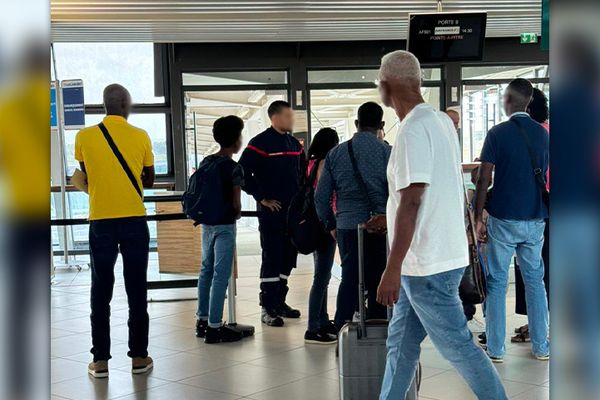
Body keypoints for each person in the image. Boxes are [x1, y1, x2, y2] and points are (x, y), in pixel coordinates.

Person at [375, 50, 507, 400]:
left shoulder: (412, 129)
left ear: (385, 86)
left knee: (459, 347)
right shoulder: (439, 122)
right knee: (400, 345)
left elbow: (413, 199)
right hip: (436, 257)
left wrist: (392, 267)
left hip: (425, 266)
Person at [75, 84, 155, 378]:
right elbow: (149, 179)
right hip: (134, 219)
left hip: (101, 222)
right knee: (137, 290)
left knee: (100, 291)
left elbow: (86, 173)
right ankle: (139, 357)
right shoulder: (141, 136)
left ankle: (101, 362)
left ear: (104, 104)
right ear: (126, 104)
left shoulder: (84, 137)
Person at [474, 78, 550, 363]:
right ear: (529, 102)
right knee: (535, 281)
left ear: (507, 100)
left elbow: (483, 179)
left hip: (503, 218)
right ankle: (541, 346)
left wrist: (478, 215)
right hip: (535, 217)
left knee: (495, 283)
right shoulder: (543, 135)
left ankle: (496, 349)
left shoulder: (497, 133)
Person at [315, 102, 389, 332]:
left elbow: (321, 196)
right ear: (382, 125)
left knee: (349, 279)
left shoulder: (336, 153)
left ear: (356, 124)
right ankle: (378, 333)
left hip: (347, 226)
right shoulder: (389, 152)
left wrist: (331, 224)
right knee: (378, 279)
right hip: (380, 227)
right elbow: (400, 193)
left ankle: (343, 332)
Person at [239, 100, 305, 327]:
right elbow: (242, 173)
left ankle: (280, 302)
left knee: (288, 257)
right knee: (272, 257)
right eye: (288, 116)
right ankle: (267, 308)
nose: (292, 119)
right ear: (274, 118)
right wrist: (261, 198)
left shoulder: (295, 144)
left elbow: (301, 175)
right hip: (271, 213)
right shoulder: (259, 144)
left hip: (292, 213)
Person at [194, 116, 245, 344]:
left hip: (206, 224)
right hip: (225, 225)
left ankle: (202, 321)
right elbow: (236, 205)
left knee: (205, 271)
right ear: (236, 141)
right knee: (220, 274)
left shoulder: (206, 161)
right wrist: (237, 212)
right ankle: (215, 326)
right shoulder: (234, 168)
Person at [512, 87, 550, 343]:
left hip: (538, 209)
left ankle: (539, 327)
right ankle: (540, 325)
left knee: (534, 268)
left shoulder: (532, 133)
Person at [445, 108, 486, 334]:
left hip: (459, 223)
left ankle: (465, 309)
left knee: (463, 267)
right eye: (453, 123)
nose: (457, 127)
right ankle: (460, 310)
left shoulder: (452, 146)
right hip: (448, 223)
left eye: (458, 124)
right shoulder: (442, 146)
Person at [304, 127, 340, 344]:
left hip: (313, 223)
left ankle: (323, 320)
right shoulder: (325, 163)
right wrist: (332, 222)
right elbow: (325, 196)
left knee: (322, 276)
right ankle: (313, 328)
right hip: (323, 224)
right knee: (321, 278)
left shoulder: (309, 162)